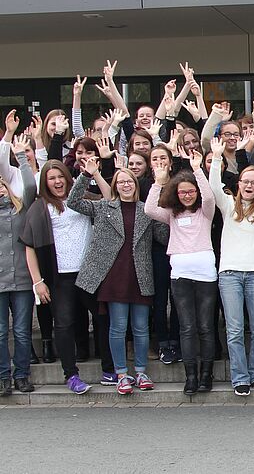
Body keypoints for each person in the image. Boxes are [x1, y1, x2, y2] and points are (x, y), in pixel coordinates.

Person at [67, 161, 166, 395]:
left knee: (141, 328)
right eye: (120, 182)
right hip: (113, 277)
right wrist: (86, 174)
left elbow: (164, 235)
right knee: (117, 327)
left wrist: (163, 200)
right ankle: (121, 374)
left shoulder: (147, 210)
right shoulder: (103, 207)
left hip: (140, 275)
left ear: (135, 184)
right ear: (114, 186)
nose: (125, 185)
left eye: (129, 181)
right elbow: (73, 202)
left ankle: (141, 372)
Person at [22, 159, 113, 394]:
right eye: (51, 178)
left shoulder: (82, 199)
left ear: (67, 177)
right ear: (45, 183)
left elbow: (109, 200)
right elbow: (29, 246)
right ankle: (71, 375)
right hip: (59, 276)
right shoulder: (40, 207)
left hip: (89, 272)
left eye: (60, 176)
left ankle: (109, 370)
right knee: (63, 325)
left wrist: (94, 174)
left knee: (103, 317)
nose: (57, 182)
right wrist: (37, 281)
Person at [209, 130, 254, 396]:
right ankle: (240, 377)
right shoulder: (227, 205)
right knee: (235, 329)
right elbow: (214, 185)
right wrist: (216, 158)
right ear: (238, 183)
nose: (250, 185)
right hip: (229, 274)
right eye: (245, 181)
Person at [146, 148, 219, 394]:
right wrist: (158, 182)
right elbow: (149, 210)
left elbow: (209, 198)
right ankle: (190, 376)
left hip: (205, 272)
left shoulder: (205, 212)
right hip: (180, 274)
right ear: (176, 194)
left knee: (206, 326)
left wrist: (197, 170)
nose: (187, 195)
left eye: (191, 191)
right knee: (187, 327)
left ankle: (206, 374)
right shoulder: (172, 215)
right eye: (182, 192)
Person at [0, 135, 37, 396]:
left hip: (23, 280)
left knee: (22, 331)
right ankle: (3, 376)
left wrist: (21, 157)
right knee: (1, 332)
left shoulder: (20, 209)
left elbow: (31, 187)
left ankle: (21, 374)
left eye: (2, 185)